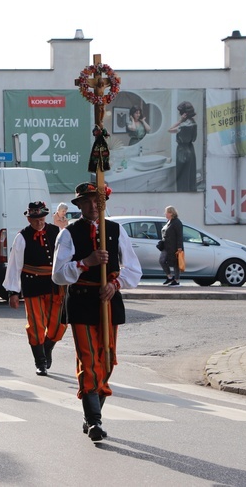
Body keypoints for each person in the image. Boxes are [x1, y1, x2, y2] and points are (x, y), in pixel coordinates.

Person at [52, 182, 142, 442]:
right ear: (78, 205)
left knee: (108, 358)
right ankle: (94, 421)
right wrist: (85, 263)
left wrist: (115, 284)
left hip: (108, 301)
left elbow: (133, 269)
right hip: (81, 300)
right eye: (88, 201)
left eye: (98, 201)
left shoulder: (115, 230)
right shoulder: (68, 234)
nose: (94, 206)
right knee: (89, 358)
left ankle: (91, 415)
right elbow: (58, 275)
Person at [2, 201, 66, 376]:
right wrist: (13, 292)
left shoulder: (57, 232)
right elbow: (15, 266)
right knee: (36, 324)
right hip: (33, 285)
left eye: (41, 218)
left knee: (59, 324)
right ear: (29, 219)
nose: (39, 222)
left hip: (55, 284)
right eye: (35, 219)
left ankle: (47, 348)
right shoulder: (22, 237)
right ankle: (40, 361)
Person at [169, 101, 198, 191]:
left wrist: (180, 121)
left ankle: (182, 198)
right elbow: (194, 139)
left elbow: (169, 130)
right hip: (191, 150)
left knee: (182, 178)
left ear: (184, 113)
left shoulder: (182, 126)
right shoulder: (194, 123)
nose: (179, 113)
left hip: (182, 151)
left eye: (180, 112)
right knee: (191, 176)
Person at [158, 205, 184, 286]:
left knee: (176, 263)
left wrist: (179, 247)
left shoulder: (177, 222)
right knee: (162, 260)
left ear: (171, 213)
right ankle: (169, 277)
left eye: (166, 213)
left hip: (174, 246)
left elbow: (179, 235)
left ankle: (176, 280)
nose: (165, 214)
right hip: (166, 246)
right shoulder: (168, 222)